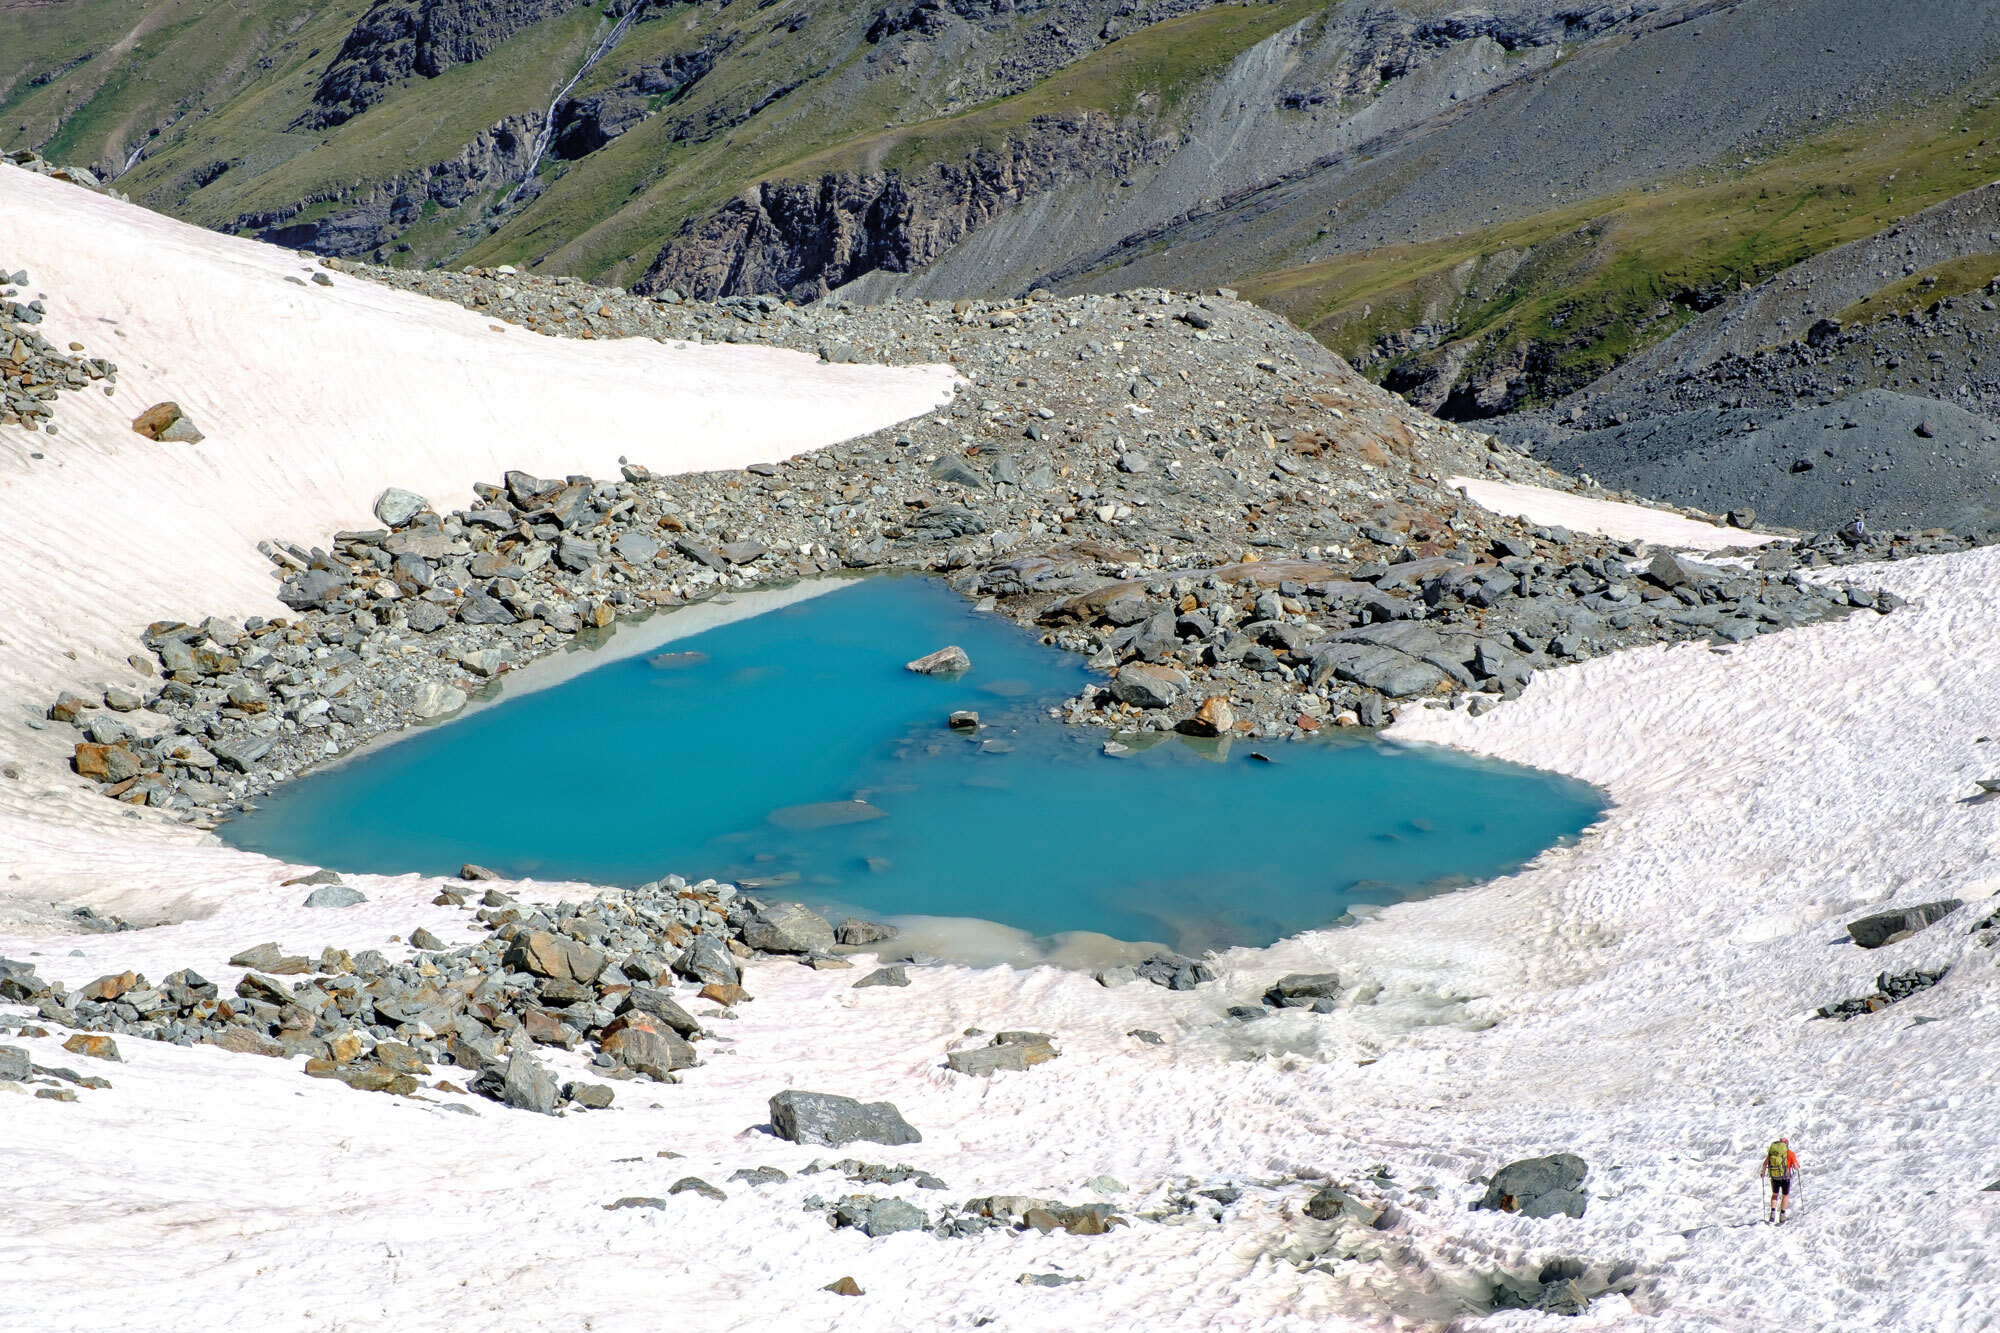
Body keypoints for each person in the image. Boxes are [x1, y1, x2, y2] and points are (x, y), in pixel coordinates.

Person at [1761, 1137, 1799, 1224]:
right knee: (1785, 1195)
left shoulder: (1773, 1153)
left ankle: (1773, 1213)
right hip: (1785, 1177)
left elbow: (1765, 1163)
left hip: (1774, 1177)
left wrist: (1763, 1173)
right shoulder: (1790, 1153)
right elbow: (1796, 1167)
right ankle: (1782, 1215)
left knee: (1775, 1194)